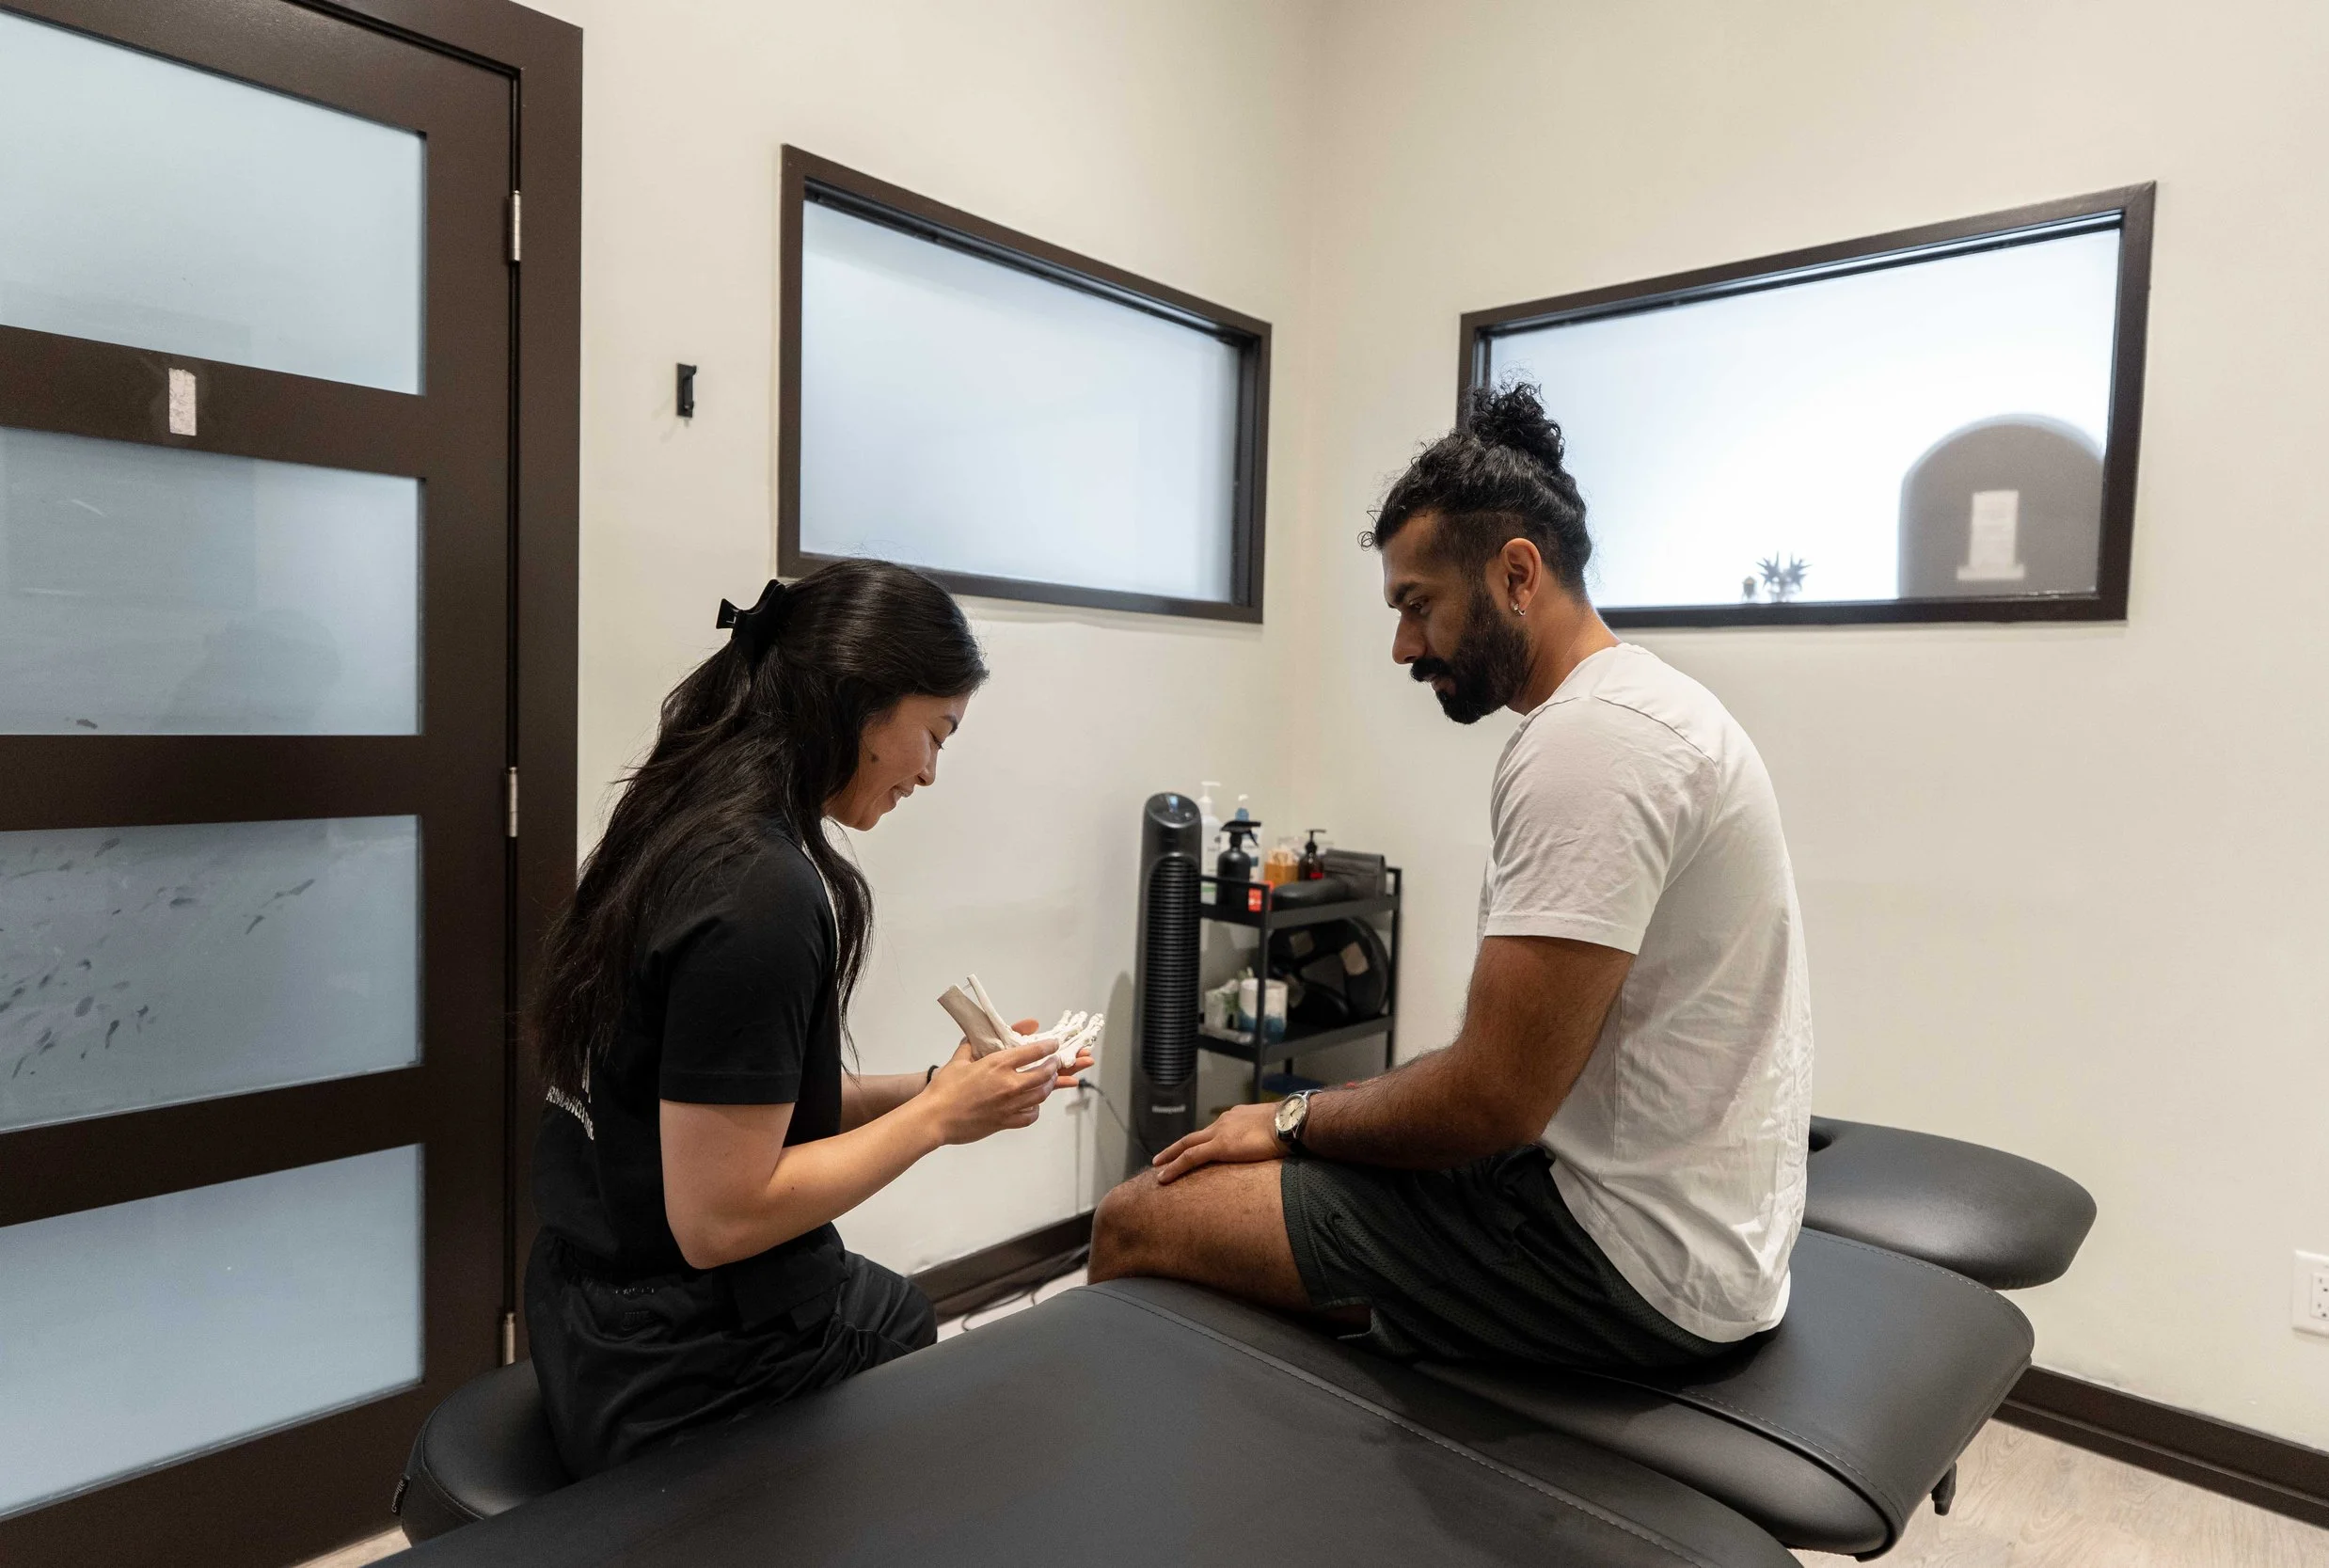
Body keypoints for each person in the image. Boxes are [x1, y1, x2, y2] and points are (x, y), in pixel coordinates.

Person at [1089, 382, 1812, 1371]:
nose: (1401, 646)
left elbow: (1490, 1101)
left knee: (1138, 1218)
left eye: (1416, 606)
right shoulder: (1650, 707)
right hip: (1696, 1238)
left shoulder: (1591, 742)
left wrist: (1289, 1117)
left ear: (1518, 574)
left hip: (1621, 1264)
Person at [527, 559, 1086, 1477]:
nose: (931, 772)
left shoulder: (683, 817)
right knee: (967, 1416)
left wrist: (936, 1086)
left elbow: (730, 1104)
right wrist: (939, 1119)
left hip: (592, 1294)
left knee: (898, 1306)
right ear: (865, 700)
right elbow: (720, 1215)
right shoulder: (762, 892)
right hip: (675, 1357)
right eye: (935, 733)